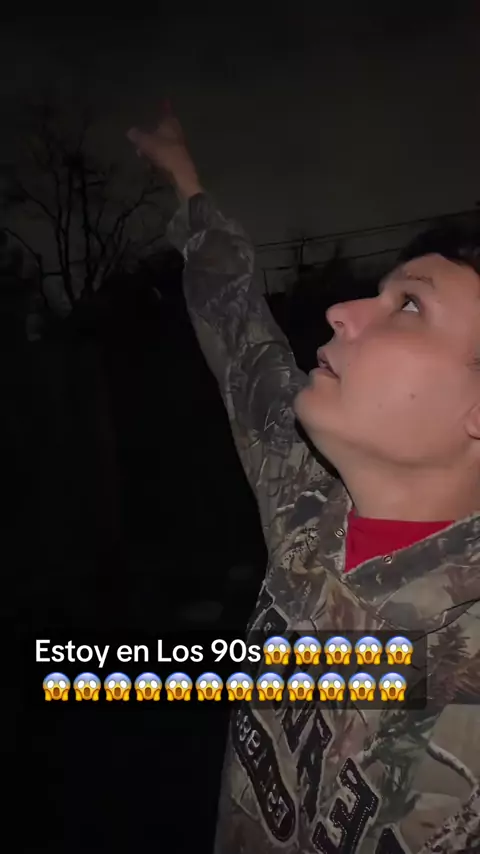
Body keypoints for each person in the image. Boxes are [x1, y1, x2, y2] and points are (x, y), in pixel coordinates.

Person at [127, 107, 480, 854]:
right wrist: (186, 182)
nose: (341, 311)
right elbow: (242, 338)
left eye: (409, 305)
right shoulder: (306, 496)